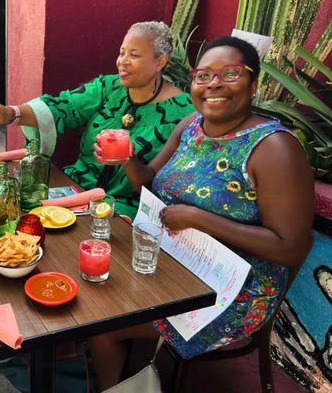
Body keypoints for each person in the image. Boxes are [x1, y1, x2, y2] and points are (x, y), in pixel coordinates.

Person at [87, 36, 314, 391]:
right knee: (95, 287)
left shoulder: (274, 149)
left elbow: (291, 248)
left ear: (253, 84)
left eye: (231, 74)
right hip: (178, 260)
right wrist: (127, 157)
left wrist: (200, 218)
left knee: (104, 323)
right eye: (203, 76)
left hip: (236, 289)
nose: (214, 85)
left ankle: (108, 384)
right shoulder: (192, 125)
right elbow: (148, 182)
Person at [0, 21, 195, 218]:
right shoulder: (108, 87)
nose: (122, 61)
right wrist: (9, 113)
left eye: (134, 55)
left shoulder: (184, 112)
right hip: (75, 188)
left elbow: (166, 182)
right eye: (122, 53)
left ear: (160, 61)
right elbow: (63, 107)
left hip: (122, 208)